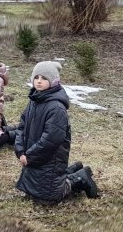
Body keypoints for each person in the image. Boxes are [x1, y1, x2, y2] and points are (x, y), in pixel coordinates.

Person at [14, 61, 98, 205]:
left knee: (48, 200)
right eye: (36, 77)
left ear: (53, 81)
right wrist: (20, 150)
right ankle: (72, 170)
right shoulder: (35, 100)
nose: (39, 81)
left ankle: (79, 178)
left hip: (50, 157)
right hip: (34, 156)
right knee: (34, 193)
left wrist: (30, 156)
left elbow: (51, 139)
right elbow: (22, 126)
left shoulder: (56, 107)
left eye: (44, 78)